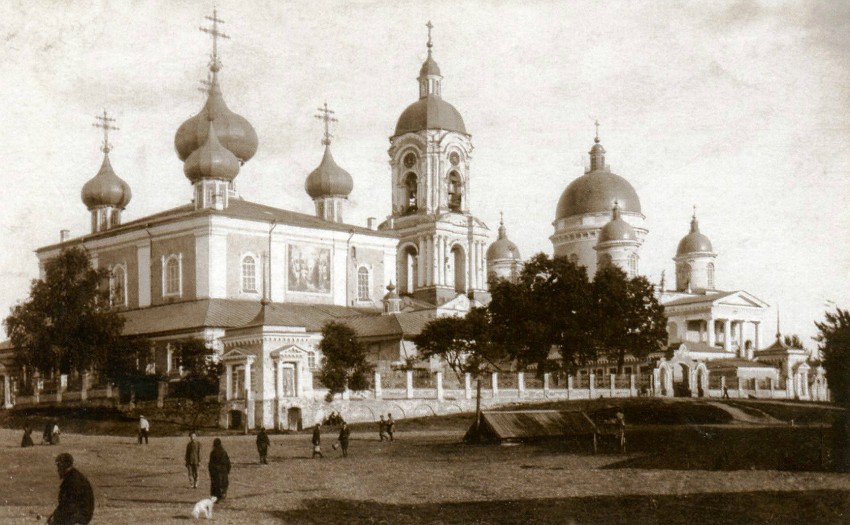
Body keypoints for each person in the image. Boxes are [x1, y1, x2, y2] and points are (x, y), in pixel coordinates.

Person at [47, 453, 94, 525]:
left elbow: (70, 505)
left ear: (64, 466)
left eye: (59, 466)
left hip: (78, 518)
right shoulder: (72, 477)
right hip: (78, 515)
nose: (58, 470)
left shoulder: (73, 481)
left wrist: (56, 517)